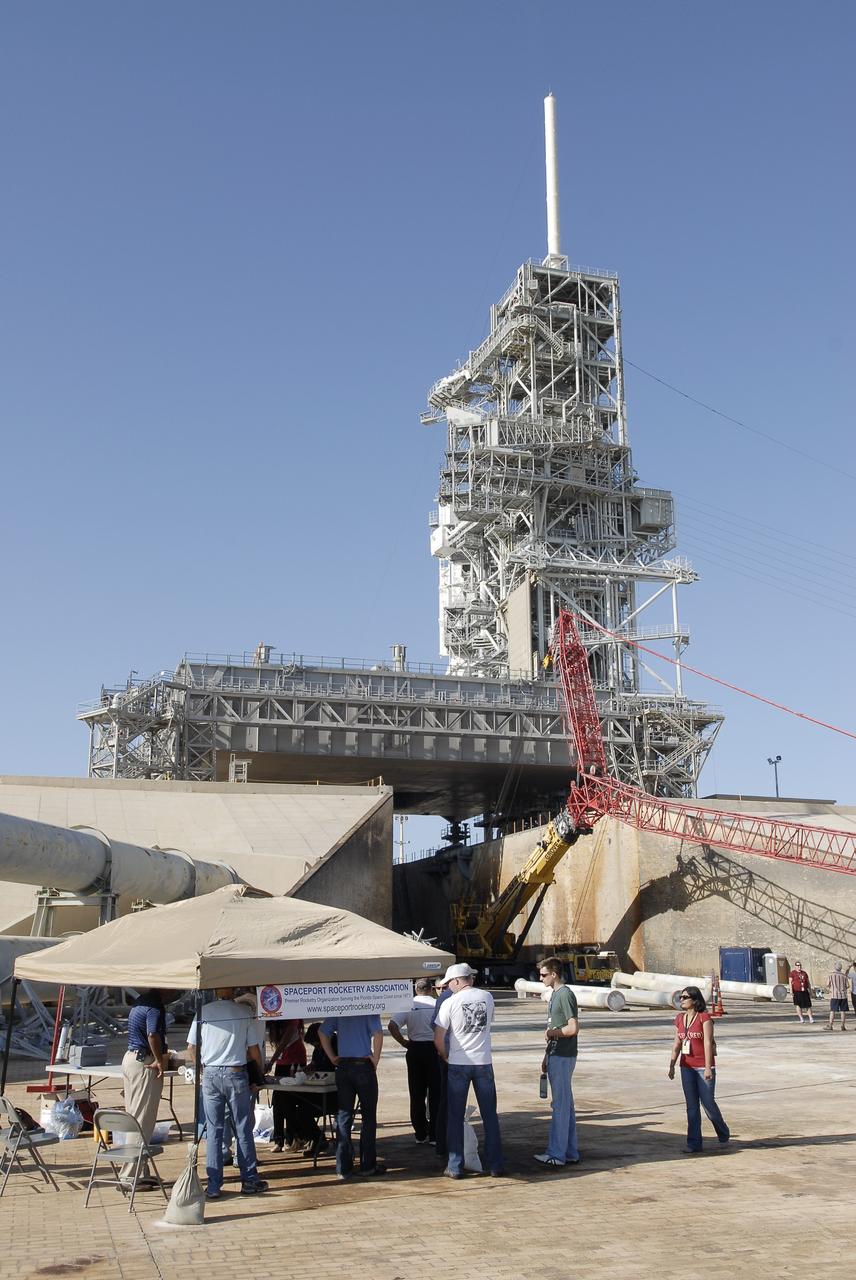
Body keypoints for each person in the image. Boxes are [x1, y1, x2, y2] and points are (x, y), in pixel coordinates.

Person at [186, 987, 269, 1199]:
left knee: (213, 1130)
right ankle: (249, 1180)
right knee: (242, 1127)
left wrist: (203, 1067)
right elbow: (253, 1050)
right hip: (236, 1072)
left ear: (215, 991)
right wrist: (257, 1076)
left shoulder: (203, 1012)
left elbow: (191, 1047)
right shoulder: (243, 1012)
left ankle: (214, 1185)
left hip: (211, 1073)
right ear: (233, 991)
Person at [433, 962, 504, 1180]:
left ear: (455, 981)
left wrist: (445, 1056)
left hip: (458, 1063)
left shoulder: (451, 1002)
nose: (447, 988)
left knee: (455, 1115)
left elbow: (438, 1038)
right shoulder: (487, 997)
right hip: (483, 1062)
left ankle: (455, 1166)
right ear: (469, 978)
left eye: (448, 984)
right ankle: (495, 1164)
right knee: (490, 1114)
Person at [319, 1013, 385, 1181]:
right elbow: (378, 1033)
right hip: (363, 1065)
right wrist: (375, 1059)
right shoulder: (369, 1008)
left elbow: (322, 1032)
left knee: (343, 1116)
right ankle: (367, 1165)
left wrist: (332, 1057)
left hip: (343, 1066)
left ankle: (343, 1167)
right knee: (368, 1117)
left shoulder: (339, 1008)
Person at [668, 985, 730, 1154]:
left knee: (708, 1104)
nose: (681, 1000)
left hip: (703, 1067)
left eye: (685, 997)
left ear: (695, 1000)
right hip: (686, 1067)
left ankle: (722, 1129)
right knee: (692, 1106)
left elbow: (708, 1043)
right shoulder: (679, 1019)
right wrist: (672, 1064)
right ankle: (694, 1143)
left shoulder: (704, 1018)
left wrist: (709, 1068)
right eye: (681, 997)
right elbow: (677, 1043)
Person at [534, 956, 580, 1168]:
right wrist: (546, 1055)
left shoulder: (564, 995)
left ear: (554, 974)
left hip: (562, 1055)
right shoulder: (555, 995)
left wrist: (551, 1033)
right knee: (566, 1105)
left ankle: (556, 1153)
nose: (540, 978)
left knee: (560, 1106)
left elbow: (572, 1028)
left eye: (543, 974)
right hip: (556, 1054)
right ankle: (569, 1151)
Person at [121, 989, 169, 1186]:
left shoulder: (141, 1001)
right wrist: (159, 1060)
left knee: (134, 1116)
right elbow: (152, 1035)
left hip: (131, 1058)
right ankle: (130, 1175)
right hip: (144, 1061)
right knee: (142, 1120)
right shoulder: (155, 1006)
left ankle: (140, 1171)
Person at [388, 978, 441, 1145]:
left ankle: (420, 1133)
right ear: (431, 989)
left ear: (415, 990)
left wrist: (404, 1042)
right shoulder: (437, 1005)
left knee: (416, 1092)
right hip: (434, 1049)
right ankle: (434, 1133)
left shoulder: (408, 1004)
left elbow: (392, 1026)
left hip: (415, 1049)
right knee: (435, 1093)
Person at [266, 1019, 309, 1152]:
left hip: (295, 1060)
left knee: (289, 1100)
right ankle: (279, 1139)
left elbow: (285, 1040)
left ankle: (293, 1138)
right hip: (282, 1061)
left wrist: (271, 1061)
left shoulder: (293, 1017)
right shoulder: (276, 1020)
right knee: (278, 1100)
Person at [431, 975, 452, 1159]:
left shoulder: (443, 999)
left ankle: (442, 1143)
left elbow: (434, 1027)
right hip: (453, 1056)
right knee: (448, 1099)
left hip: (446, 1055)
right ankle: (446, 1143)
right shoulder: (447, 998)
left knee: (444, 1099)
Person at [826, 961, 849, 1030]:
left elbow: (827, 984)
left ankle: (830, 1025)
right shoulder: (844, 976)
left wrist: (831, 988)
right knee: (843, 1011)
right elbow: (847, 985)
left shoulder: (831, 975)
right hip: (843, 995)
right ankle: (842, 1025)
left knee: (832, 1011)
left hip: (834, 995)